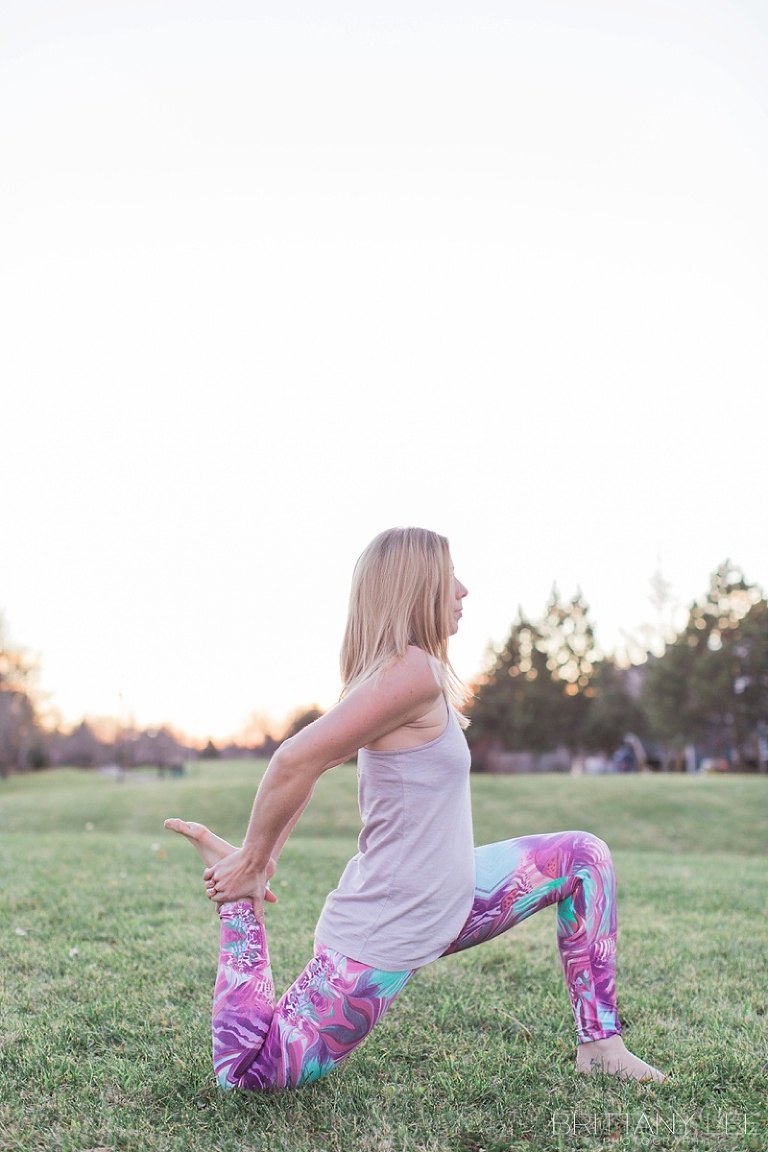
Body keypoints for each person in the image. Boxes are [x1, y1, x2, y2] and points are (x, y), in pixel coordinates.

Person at [165, 526, 666, 1092]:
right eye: (449, 577)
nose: (463, 590)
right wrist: (253, 865)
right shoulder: (411, 673)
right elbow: (293, 762)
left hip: (452, 893)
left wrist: (268, 857)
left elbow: (313, 768)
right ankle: (239, 908)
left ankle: (601, 1048)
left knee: (582, 858)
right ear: (417, 588)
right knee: (248, 1076)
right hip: (391, 922)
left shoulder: (408, 674)